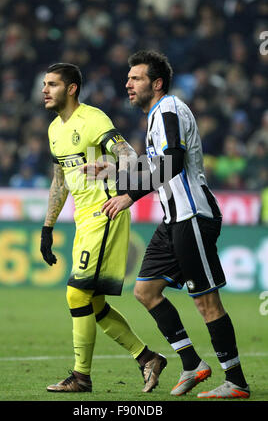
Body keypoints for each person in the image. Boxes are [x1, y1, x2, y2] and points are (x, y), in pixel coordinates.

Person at [100, 50, 250, 399]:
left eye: (135, 78)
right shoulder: (156, 116)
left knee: (206, 302)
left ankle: (236, 381)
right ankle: (192, 363)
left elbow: (173, 161)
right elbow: (157, 166)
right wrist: (117, 172)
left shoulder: (169, 109)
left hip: (192, 216)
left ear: (156, 82)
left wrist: (129, 196)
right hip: (173, 220)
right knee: (145, 291)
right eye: (128, 78)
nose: (128, 84)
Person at [39, 62, 166, 393]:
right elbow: (59, 180)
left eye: (52, 84)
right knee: (92, 304)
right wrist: (47, 227)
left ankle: (81, 377)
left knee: (76, 292)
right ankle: (148, 358)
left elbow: (130, 157)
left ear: (71, 89)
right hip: (84, 217)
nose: (44, 90)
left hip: (105, 211)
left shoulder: (93, 120)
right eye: (44, 84)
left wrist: (109, 165)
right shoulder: (55, 129)